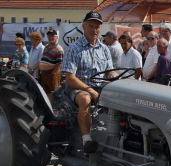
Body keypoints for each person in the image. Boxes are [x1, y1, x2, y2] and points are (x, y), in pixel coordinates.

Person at [61, 11, 117, 153]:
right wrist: (89, 89)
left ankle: (116, 135)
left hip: (99, 86)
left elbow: (110, 72)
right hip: (77, 88)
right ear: (84, 27)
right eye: (91, 26)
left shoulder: (104, 49)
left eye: (97, 27)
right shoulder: (75, 48)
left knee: (122, 97)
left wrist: (120, 79)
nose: (94, 29)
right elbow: (70, 78)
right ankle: (87, 140)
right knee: (85, 99)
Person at [39, 30, 64, 95]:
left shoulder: (59, 49)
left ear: (57, 37)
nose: (50, 37)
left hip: (52, 75)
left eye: (53, 36)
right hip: (44, 74)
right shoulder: (46, 46)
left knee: (53, 95)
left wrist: (53, 76)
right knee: (45, 95)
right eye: (49, 36)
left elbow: (59, 64)